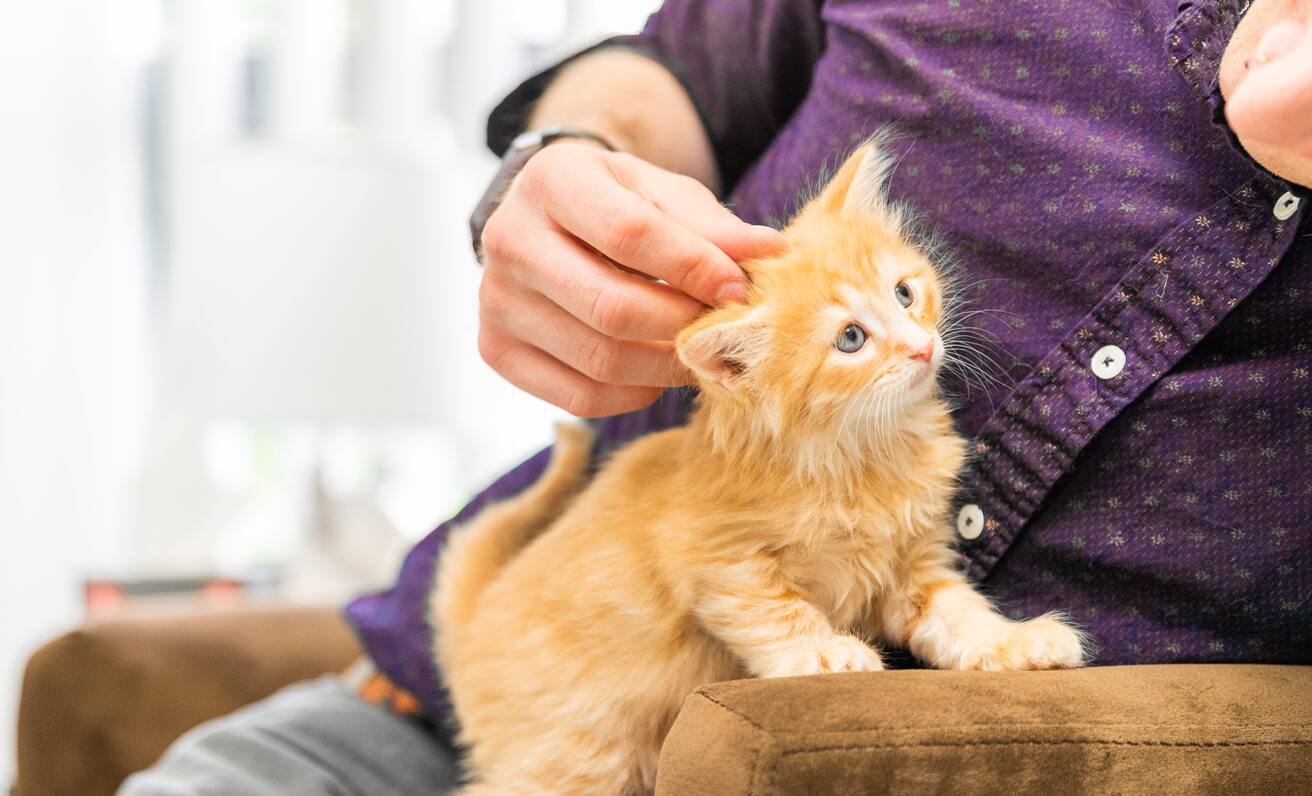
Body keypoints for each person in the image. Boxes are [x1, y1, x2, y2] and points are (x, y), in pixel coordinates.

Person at [120, 0, 1311, 792]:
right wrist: (568, 161)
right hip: (450, 714)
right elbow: (669, 68)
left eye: (906, 302)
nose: (912, 342)